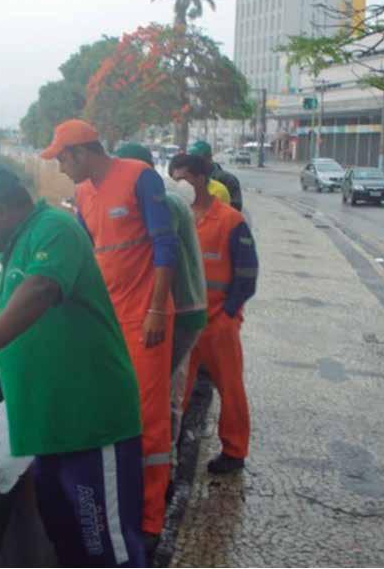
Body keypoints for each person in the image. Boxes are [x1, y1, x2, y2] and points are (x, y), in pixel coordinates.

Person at [0, 164, 145, 566]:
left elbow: (43, 286)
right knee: (68, 543)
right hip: (49, 432)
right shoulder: (17, 247)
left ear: (3, 207)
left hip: (90, 427)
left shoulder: (54, 228)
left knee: (108, 548)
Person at [41, 120, 177, 550]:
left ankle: (152, 520)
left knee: (149, 420)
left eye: (61, 158)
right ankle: (126, 510)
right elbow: (85, 257)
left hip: (145, 321)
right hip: (108, 322)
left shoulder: (139, 177)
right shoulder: (83, 194)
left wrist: (157, 309)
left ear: (81, 152)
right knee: (117, 416)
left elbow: (166, 247)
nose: (60, 169)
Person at [113, 143, 207, 464]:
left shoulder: (163, 203)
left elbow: (156, 255)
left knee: (158, 391)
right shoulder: (165, 201)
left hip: (179, 310)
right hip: (184, 309)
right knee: (165, 386)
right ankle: (163, 461)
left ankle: (161, 468)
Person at [169, 153, 258, 475]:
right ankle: (172, 448)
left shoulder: (231, 221)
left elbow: (248, 275)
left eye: (185, 178)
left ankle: (234, 451)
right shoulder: (175, 217)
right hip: (182, 322)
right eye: (175, 179)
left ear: (202, 178)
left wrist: (228, 315)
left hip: (218, 322)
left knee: (230, 388)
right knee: (176, 392)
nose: (180, 184)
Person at [188, 140, 243, 212]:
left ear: (209, 157)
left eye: (197, 158)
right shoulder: (189, 178)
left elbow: (236, 207)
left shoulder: (228, 180)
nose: (193, 162)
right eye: (190, 158)